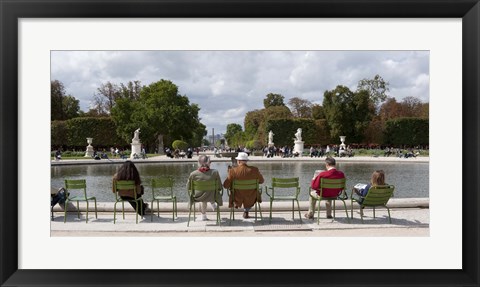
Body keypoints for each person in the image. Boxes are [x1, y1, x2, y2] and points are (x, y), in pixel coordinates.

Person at [223, 152, 264, 219]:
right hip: (251, 197)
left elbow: (225, 185)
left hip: (237, 197)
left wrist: (229, 175)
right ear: (246, 161)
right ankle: (246, 211)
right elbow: (262, 181)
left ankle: (239, 207)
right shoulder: (255, 170)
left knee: (238, 192)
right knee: (249, 193)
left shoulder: (232, 171)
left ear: (238, 161)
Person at [186, 155, 223, 221]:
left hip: (198, 196)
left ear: (199, 163)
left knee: (203, 196)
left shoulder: (193, 174)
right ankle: (212, 203)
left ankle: (203, 215)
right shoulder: (215, 172)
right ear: (208, 163)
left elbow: (188, 187)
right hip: (212, 196)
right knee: (207, 193)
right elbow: (219, 186)